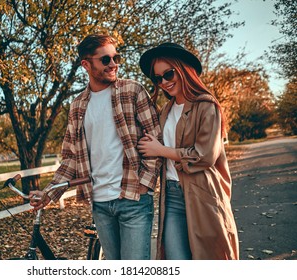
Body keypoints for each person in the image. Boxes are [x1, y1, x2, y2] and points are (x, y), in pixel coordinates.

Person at [29, 34, 162, 260]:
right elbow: (71, 158)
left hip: (133, 200)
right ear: (86, 65)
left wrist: (144, 184)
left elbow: (155, 138)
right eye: (106, 60)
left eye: (115, 57)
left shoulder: (133, 91)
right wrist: (49, 193)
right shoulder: (78, 105)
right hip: (99, 203)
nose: (113, 64)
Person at [137, 42, 239, 260]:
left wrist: (162, 150)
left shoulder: (206, 105)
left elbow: (205, 155)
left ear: (183, 69)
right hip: (171, 196)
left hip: (202, 193)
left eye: (168, 73)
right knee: (176, 260)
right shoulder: (165, 111)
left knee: (209, 260)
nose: (164, 82)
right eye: (158, 78)